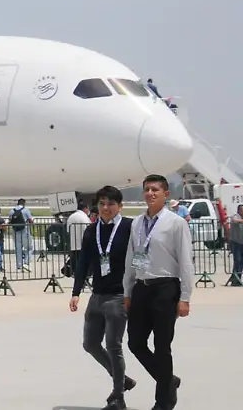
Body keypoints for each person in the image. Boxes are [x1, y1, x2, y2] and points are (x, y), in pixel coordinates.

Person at [124, 175, 194, 410]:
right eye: (147, 189)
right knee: (135, 342)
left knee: (162, 346)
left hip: (166, 288)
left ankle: (163, 401)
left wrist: (185, 297)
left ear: (166, 194)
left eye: (155, 189)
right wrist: (127, 291)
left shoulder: (176, 223)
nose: (150, 193)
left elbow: (186, 262)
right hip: (141, 288)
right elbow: (131, 258)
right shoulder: (136, 223)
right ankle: (168, 381)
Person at [70, 185, 137, 410]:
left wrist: (138, 288)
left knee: (113, 346)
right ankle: (122, 379)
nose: (106, 208)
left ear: (120, 206)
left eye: (111, 204)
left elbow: (140, 256)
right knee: (90, 343)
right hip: (97, 295)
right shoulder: (92, 231)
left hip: (119, 296)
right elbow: (83, 263)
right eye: (102, 204)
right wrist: (76, 292)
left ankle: (118, 396)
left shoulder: (129, 227)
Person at [66, 202, 92, 277]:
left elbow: (68, 231)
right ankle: (84, 279)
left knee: (77, 265)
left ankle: (78, 278)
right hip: (83, 245)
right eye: (88, 209)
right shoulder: (85, 217)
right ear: (85, 208)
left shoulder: (71, 217)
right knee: (84, 266)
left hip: (73, 245)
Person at [230, 204, 243, 279]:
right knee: (238, 260)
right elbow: (235, 220)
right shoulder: (235, 216)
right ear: (239, 210)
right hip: (236, 243)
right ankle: (235, 278)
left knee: (241, 262)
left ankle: (238, 278)